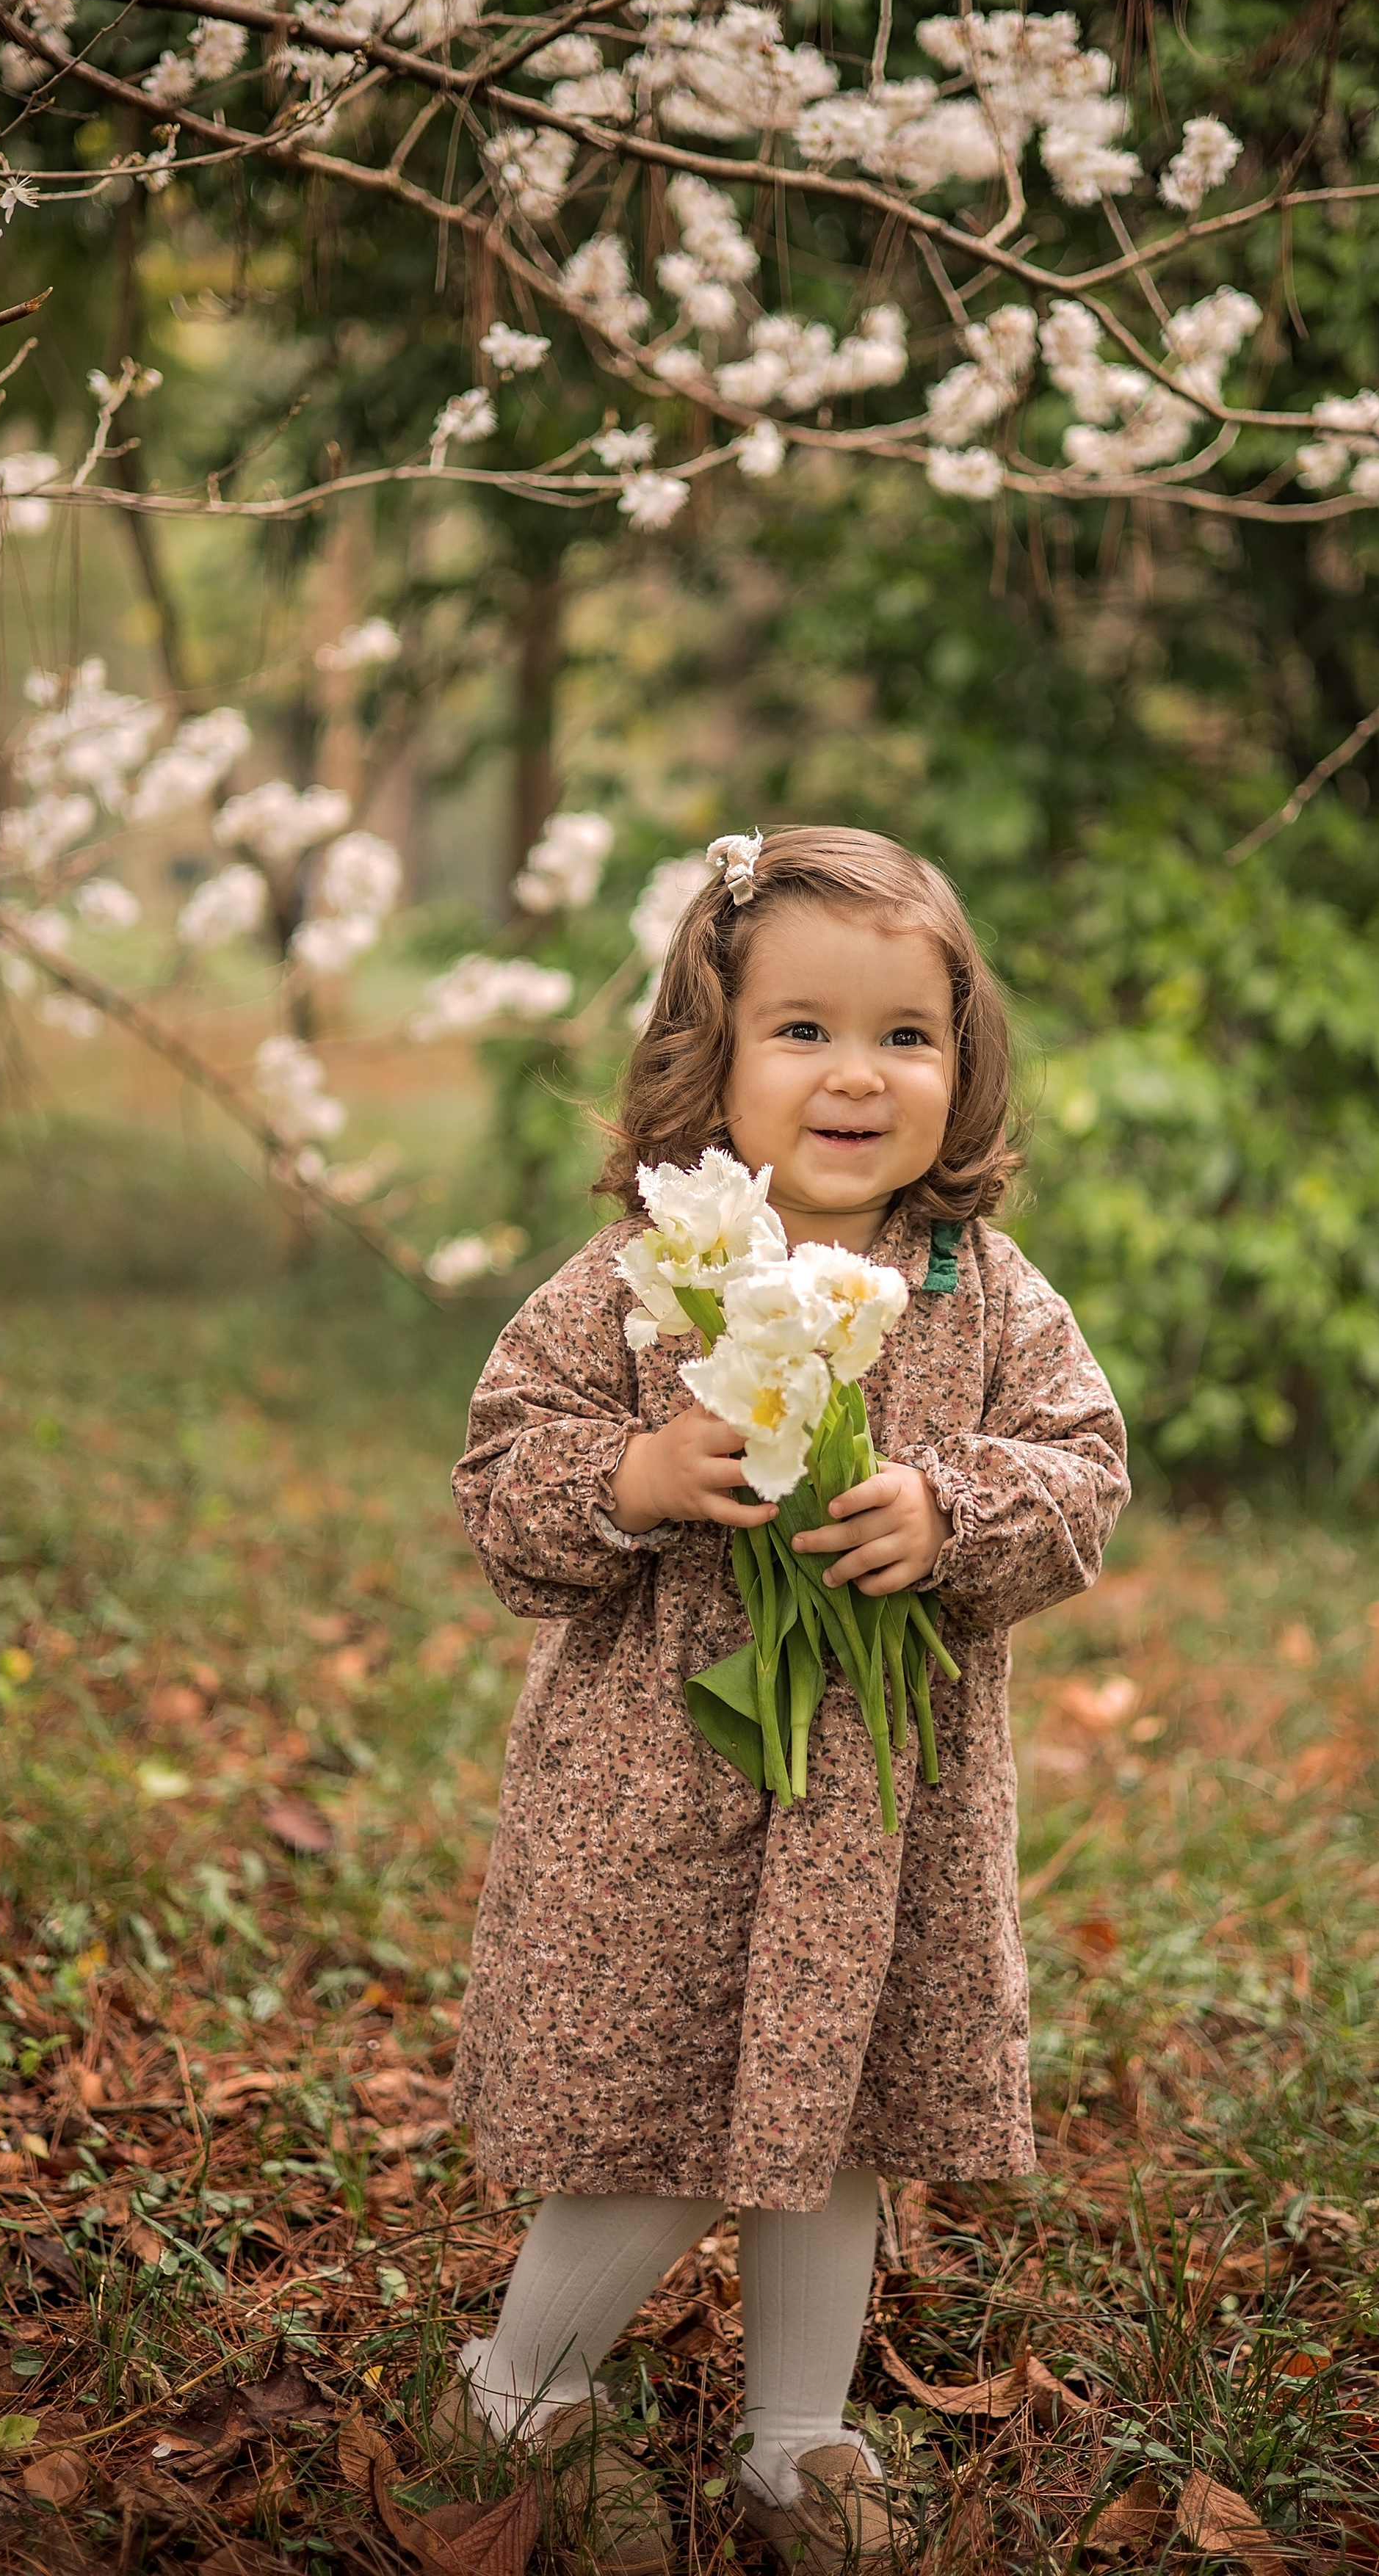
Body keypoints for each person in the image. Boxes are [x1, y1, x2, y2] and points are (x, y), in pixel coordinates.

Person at [435, 825, 1129, 2572]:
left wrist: (950, 1509)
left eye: (904, 1035)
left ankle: (799, 2442)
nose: (855, 1074)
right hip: (661, 1799)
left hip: (883, 1818)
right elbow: (502, 1486)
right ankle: (513, 2391)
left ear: (961, 1065)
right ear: (711, 1056)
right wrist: (636, 1477)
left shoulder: (977, 1284)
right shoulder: (641, 1277)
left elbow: (1083, 1475)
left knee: (839, 2117)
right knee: (669, 2103)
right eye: (801, 1030)